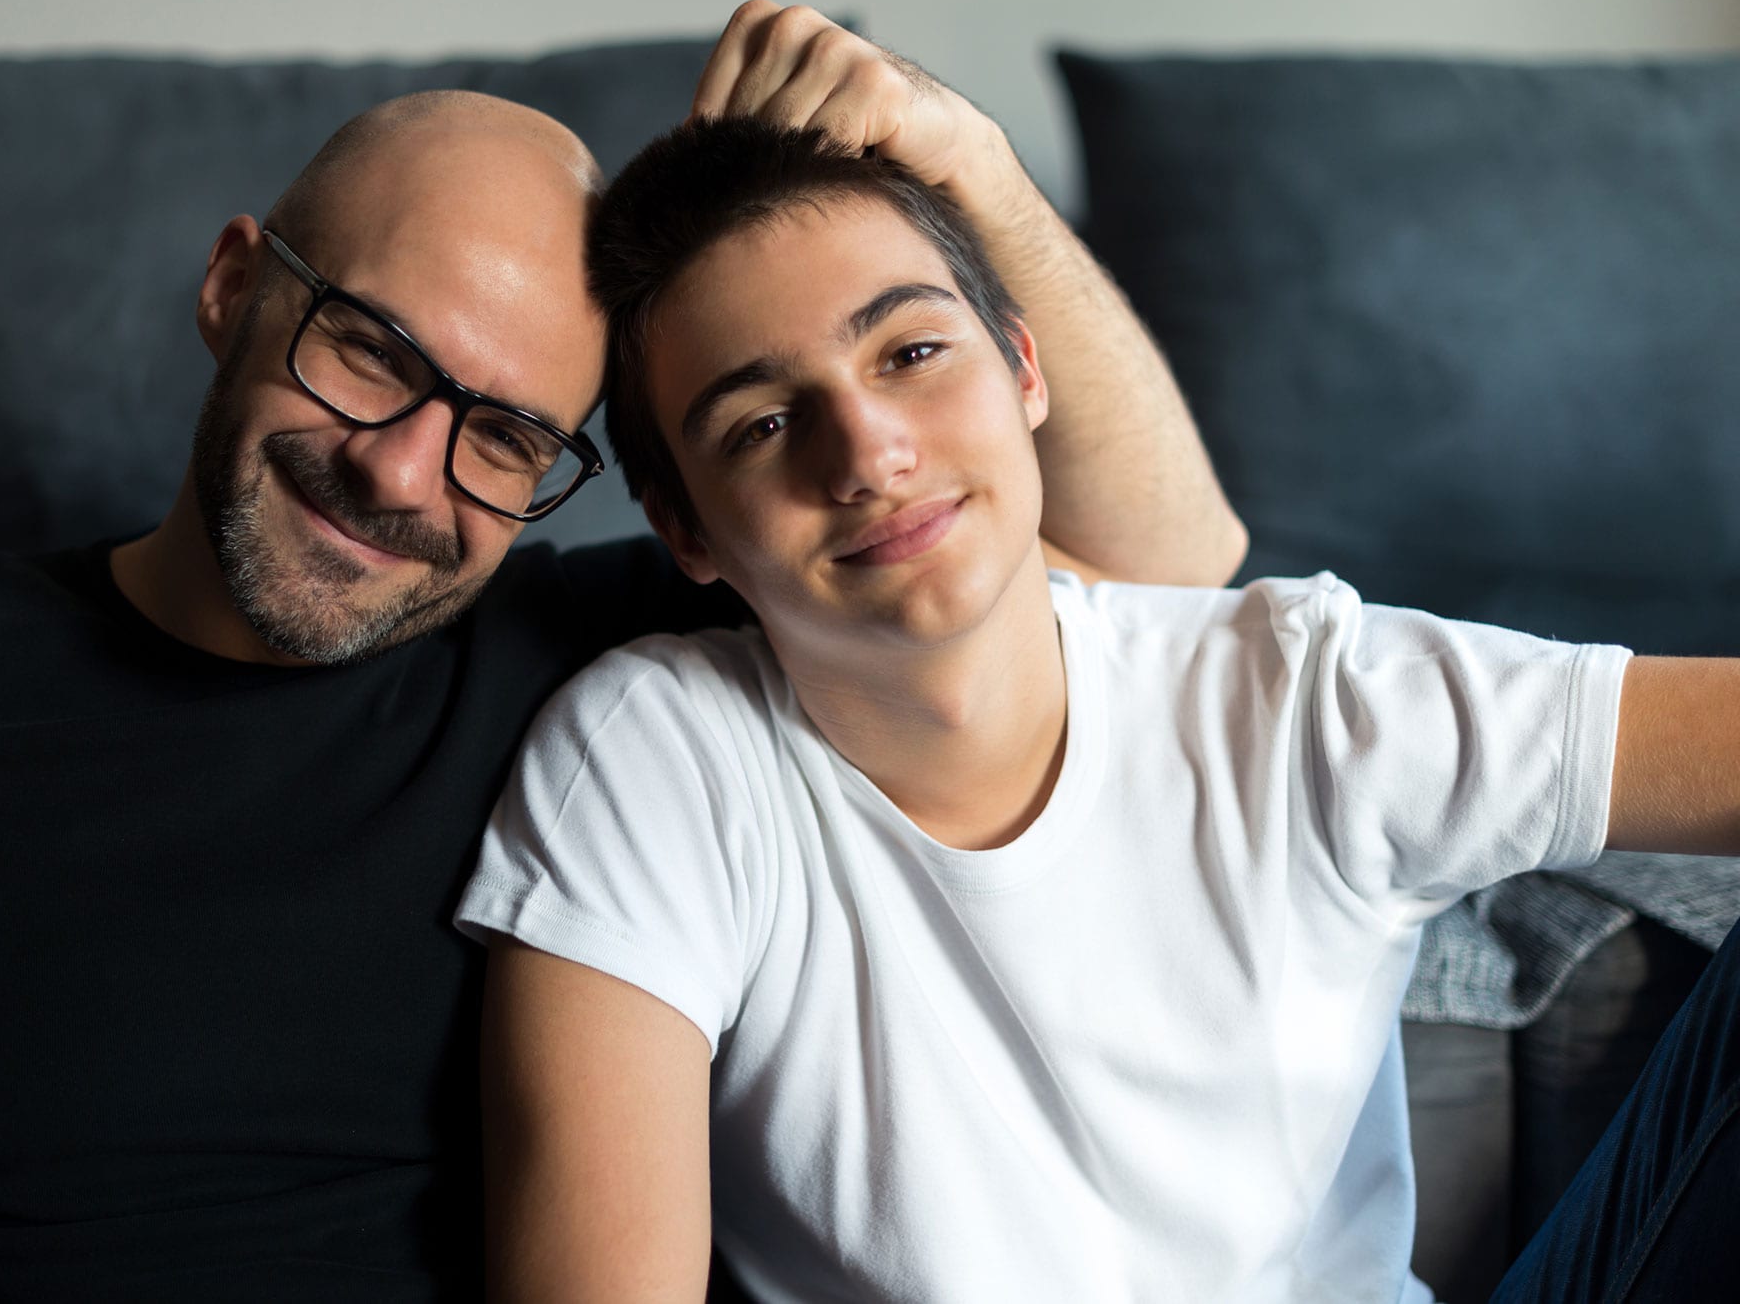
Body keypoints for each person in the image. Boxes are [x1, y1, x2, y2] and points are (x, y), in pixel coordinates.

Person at [0, 3, 1244, 1302]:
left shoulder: (618, 667)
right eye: (368, 351)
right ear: (233, 289)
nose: (402, 471)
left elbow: (1164, 568)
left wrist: (969, 164)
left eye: (507, 436)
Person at [459, 115, 1740, 1302]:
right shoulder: (658, 758)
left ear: (1023, 368)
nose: (868, 455)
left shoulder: (1294, 693)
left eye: (911, 353)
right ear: (684, 529)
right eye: (762, 423)